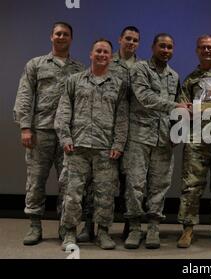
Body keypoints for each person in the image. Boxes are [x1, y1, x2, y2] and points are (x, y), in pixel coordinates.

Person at [13, 22, 84, 245]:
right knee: (36, 181)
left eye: (66, 34)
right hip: (40, 131)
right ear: (51, 37)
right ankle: (35, 226)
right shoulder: (36, 64)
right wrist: (25, 127)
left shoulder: (79, 69)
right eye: (58, 34)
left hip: (67, 135)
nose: (61, 37)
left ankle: (65, 227)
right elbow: (25, 96)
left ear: (71, 39)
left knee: (68, 183)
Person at [56, 39, 129, 250]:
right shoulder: (74, 80)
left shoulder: (118, 84)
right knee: (72, 193)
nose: (102, 55)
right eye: (98, 51)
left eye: (106, 52)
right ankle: (69, 232)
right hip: (77, 147)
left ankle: (103, 232)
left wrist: (118, 143)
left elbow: (122, 118)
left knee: (105, 194)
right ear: (91, 54)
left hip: (105, 148)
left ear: (111, 56)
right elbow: (63, 111)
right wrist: (66, 138)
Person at [76, 26, 141, 243]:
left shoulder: (143, 67)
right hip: (103, 129)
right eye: (128, 39)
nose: (131, 43)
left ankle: (126, 226)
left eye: (135, 40)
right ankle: (88, 225)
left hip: (134, 130)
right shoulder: (105, 59)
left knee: (127, 181)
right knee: (94, 182)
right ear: (120, 39)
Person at [123, 33, 189, 249]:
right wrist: (174, 107)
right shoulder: (139, 69)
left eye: (170, 47)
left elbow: (179, 107)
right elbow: (144, 97)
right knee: (135, 184)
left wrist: (177, 132)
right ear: (153, 47)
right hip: (139, 137)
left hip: (163, 138)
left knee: (159, 185)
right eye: (162, 46)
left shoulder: (174, 75)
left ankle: (153, 227)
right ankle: (134, 228)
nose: (166, 50)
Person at [176, 35, 211, 248]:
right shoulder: (191, 79)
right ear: (197, 51)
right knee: (191, 185)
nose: (207, 51)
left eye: (210, 47)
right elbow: (183, 107)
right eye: (203, 48)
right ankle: (187, 228)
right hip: (197, 138)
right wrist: (192, 108)